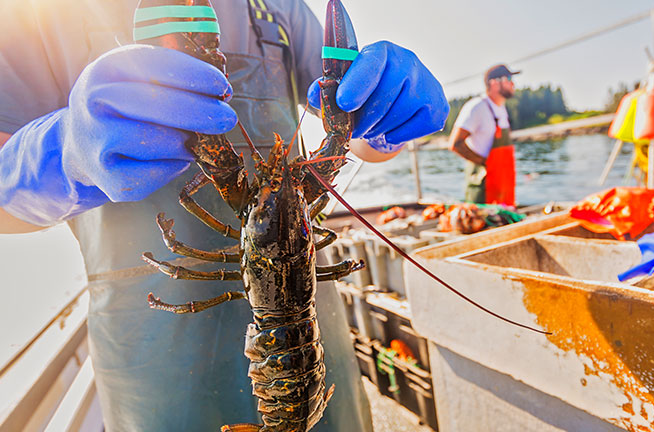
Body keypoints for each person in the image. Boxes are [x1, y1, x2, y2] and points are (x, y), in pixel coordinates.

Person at [0, 1, 449, 431]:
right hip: (153, 356)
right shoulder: (33, 13)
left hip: (313, 343)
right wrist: (63, 152)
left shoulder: (277, 6)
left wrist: (387, 119)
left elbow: (361, 133)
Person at [449, 64, 519, 206]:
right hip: (483, 187)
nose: (513, 83)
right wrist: (486, 163)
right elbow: (455, 143)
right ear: (494, 83)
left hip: (503, 185)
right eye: (509, 78)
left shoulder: (501, 108)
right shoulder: (477, 107)